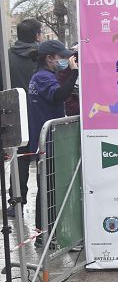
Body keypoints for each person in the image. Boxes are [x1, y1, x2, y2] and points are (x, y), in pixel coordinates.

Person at [27, 40, 78, 237]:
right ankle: (46, 234)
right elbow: (59, 95)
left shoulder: (42, 76)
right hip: (47, 141)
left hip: (47, 140)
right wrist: (73, 73)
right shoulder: (43, 77)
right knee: (48, 189)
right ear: (50, 58)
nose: (65, 60)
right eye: (62, 57)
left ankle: (46, 234)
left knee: (47, 187)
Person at [7, 19, 42, 213]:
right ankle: (46, 205)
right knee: (43, 159)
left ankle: (16, 202)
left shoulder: (6, 56)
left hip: (15, 116)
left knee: (19, 158)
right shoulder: (43, 55)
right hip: (41, 115)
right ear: (37, 35)